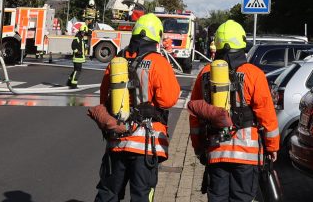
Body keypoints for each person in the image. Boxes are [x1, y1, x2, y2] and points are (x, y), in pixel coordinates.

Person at [91, 14, 180, 202]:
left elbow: (104, 95)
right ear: (156, 36)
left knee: (108, 193)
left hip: (117, 140)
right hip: (145, 145)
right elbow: (168, 100)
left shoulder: (118, 61)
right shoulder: (158, 63)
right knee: (141, 195)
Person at [189, 20, 280, 202]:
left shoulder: (205, 73)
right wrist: (272, 147)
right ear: (242, 43)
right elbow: (266, 115)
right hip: (247, 156)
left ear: (219, 44)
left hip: (216, 151)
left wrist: (198, 147)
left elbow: (196, 116)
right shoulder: (254, 74)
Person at [69, 22, 90, 88]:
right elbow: (73, 46)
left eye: (84, 33)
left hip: (79, 58)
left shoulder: (81, 38)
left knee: (76, 71)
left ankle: (69, 82)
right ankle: (73, 84)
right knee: (77, 71)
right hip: (77, 58)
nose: (84, 34)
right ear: (81, 31)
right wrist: (77, 52)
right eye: (83, 32)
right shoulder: (77, 38)